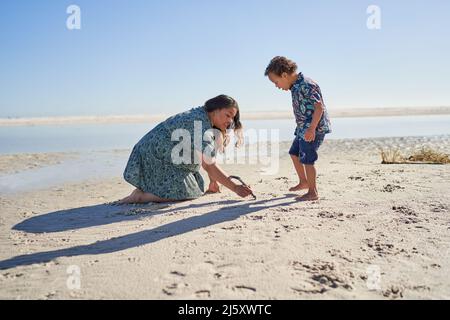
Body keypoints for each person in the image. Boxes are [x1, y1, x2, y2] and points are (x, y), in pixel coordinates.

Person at [118, 94, 254, 204]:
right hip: (153, 156)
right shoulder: (199, 122)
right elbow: (209, 164)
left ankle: (148, 191)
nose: (231, 121)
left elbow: (207, 154)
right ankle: (140, 197)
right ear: (215, 109)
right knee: (183, 193)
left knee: (195, 188)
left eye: (233, 117)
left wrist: (213, 181)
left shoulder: (204, 117)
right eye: (228, 115)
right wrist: (235, 188)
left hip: (165, 157)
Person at [265, 56, 331, 201]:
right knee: (294, 153)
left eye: (276, 82)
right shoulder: (295, 87)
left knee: (307, 158)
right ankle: (304, 182)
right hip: (303, 128)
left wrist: (312, 128)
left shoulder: (307, 84)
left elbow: (319, 107)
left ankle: (313, 192)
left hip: (314, 129)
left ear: (284, 75)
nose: (276, 86)